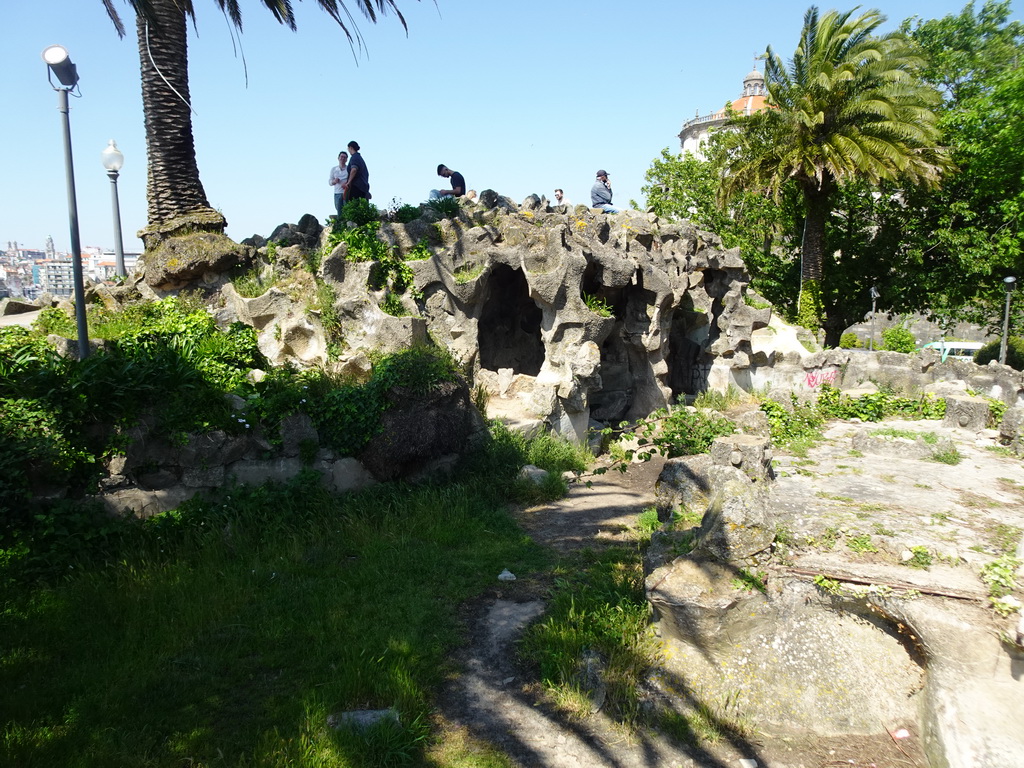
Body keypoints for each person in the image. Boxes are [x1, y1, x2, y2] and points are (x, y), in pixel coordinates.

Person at [328, 151, 348, 216]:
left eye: (344, 157)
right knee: (339, 210)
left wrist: (346, 183)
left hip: (346, 192)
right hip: (337, 192)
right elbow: (330, 182)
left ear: (346, 159)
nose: (343, 159)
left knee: (346, 210)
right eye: (341, 157)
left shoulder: (348, 169)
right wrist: (334, 181)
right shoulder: (334, 169)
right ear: (338, 158)